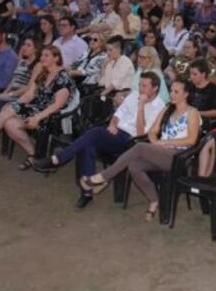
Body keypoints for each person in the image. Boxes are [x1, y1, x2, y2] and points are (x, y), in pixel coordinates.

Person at [35, 71, 166, 208]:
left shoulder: (159, 107)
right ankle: (86, 193)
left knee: (94, 133)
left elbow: (141, 133)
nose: (140, 88)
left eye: (144, 86)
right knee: (87, 146)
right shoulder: (134, 95)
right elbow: (118, 114)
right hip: (115, 133)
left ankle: (58, 159)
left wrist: (141, 107)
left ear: (155, 88)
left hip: (131, 143)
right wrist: (112, 124)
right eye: (140, 85)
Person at [82, 77, 201, 220]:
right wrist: (155, 141)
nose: (172, 94)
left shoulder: (192, 113)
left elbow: (192, 140)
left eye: (176, 92)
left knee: (139, 147)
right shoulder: (168, 109)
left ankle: (103, 177)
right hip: (161, 152)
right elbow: (151, 132)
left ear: (186, 94)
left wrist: (164, 143)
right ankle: (154, 201)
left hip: (179, 157)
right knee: (134, 166)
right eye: (171, 91)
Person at [0, 45, 73, 172]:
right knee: (9, 123)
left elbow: (57, 105)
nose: (42, 58)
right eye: (42, 55)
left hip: (52, 116)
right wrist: (15, 105)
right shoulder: (43, 74)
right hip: (36, 109)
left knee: (11, 108)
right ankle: (33, 154)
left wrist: (36, 117)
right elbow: (29, 95)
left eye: (46, 55)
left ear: (56, 58)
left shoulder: (63, 77)